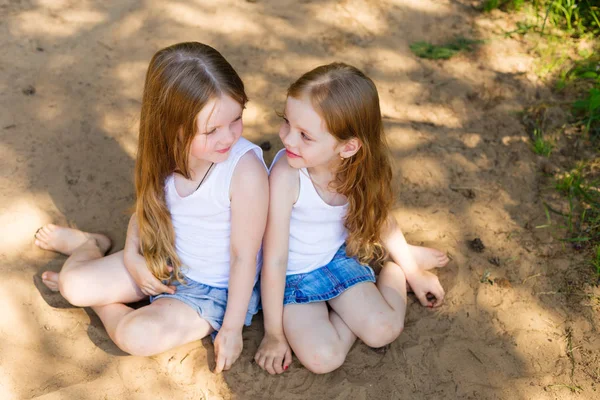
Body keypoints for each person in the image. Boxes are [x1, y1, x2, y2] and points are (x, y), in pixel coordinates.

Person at [34, 42, 268, 373]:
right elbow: (147, 212)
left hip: (213, 291)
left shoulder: (244, 172)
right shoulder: (165, 156)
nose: (228, 137)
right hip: (164, 261)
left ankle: (106, 302)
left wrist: (230, 329)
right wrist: (133, 259)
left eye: (236, 120)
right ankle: (90, 244)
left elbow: (246, 257)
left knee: (137, 336)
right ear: (172, 127)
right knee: (73, 287)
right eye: (211, 130)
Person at [254, 63, 448, 375]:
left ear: (348, 147)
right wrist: (274, 334)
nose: (288, 140)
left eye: (305, 135)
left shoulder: (357, 174)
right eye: (287, 123)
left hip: (338, 262)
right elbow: (275, 259)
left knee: (383, 330)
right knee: (324, 359)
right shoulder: (286, 174)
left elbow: (381, 219)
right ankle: (389, 260)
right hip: (293, 279)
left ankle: (397, 267)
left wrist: (415, 275)